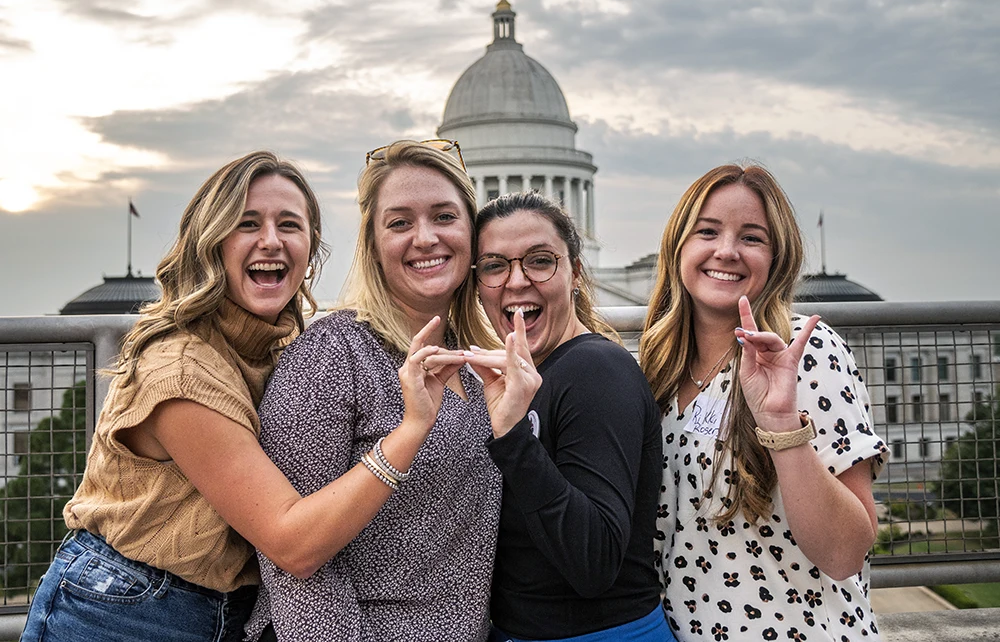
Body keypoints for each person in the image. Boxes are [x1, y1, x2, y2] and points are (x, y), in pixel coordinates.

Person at [20, 150, 352, 642]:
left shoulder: (283, 350)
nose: (271, 240)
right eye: (246, 223)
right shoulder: (181, 370)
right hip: (120, 615)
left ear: (311, 245)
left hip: (222, 614)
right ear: (211, 242)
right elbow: (291, 542)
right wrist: (410, 433)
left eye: (289, 224)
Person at [244, 140, 502, 642]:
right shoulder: (333, 352)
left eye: (444, 216)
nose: (425, 238)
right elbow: (296, 567)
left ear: (473, 233)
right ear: (373, 243)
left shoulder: (476, 364)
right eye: (400, 222)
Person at [639, 164, 889, 642]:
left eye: (751, 237)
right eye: (707, 231)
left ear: (776, 257)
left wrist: (780, 425)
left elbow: (844, 553)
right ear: (678, 247)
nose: (726, 251)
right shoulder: (656, 368)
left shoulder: (803, 351)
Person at [461, 192, 674, 642]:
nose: (516, 281)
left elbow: (594, 562)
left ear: (575, 272)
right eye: (495, 265)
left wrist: (515, 439)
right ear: (477, 284)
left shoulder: (595, 370)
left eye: (540, 261)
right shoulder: (527, 378)